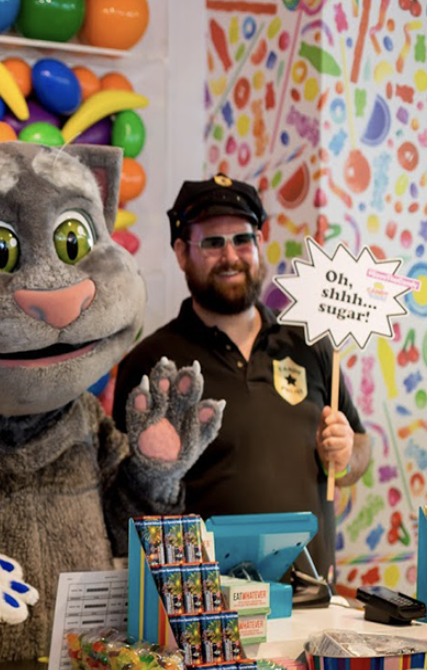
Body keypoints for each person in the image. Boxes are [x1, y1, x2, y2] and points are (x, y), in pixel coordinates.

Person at [113, 174, 371, 580]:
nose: (230, 256)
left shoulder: (310, 342)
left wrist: (346, 455)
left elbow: (359, 450)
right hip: (204, 601)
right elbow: (126, 495)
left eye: (243, 239)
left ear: (259, 243)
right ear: (181, 253)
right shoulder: (151, 362)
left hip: (311, 595)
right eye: (213, 243)